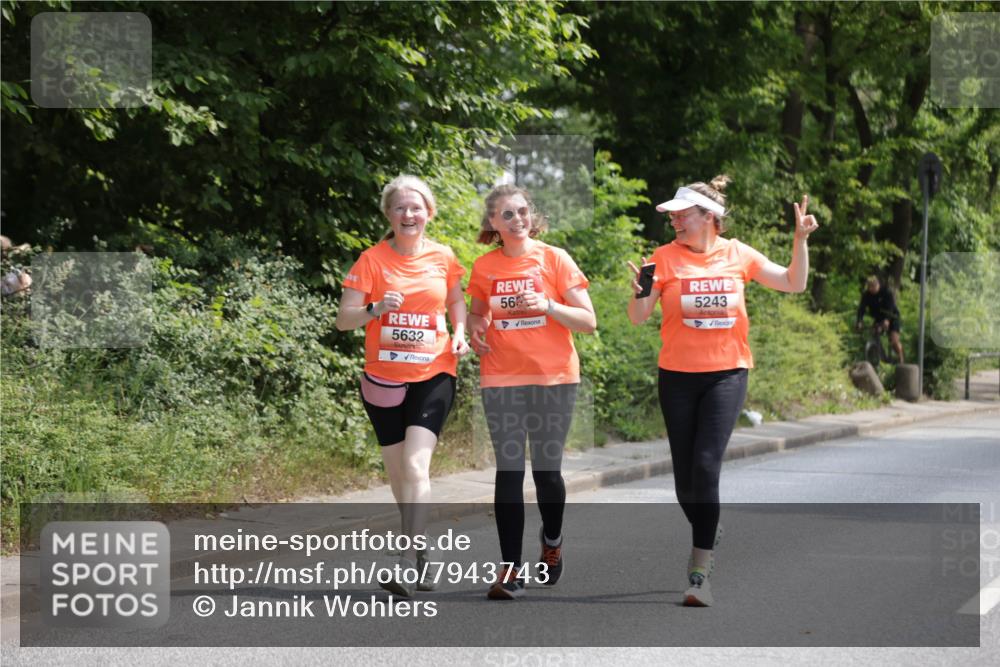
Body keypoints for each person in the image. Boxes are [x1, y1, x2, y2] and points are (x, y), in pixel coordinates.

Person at [627, 175, 818, 607]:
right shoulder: (663, 258)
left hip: (726, 374)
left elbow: (793, 282)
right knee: (683, 483)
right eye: (672, 215)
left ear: (709, 218)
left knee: (707, 464)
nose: (675, 221)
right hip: (676, 376)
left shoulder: (738, 254)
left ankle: (699, 571)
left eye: (682, 214)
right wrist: (641, 290)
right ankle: (707, 525)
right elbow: (638, 317)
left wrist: (800, 239)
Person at [336, 175, 470, 597]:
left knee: (415, 467)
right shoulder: (370, 261)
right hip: (383, 380)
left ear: (429, 213)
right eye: (400, 208)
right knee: (398, 478)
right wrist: (374, 308)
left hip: (434, 372)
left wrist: (461, 332)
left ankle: (407, 558)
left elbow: (455, 301)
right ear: (388, 215)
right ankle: (422, 548)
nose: (409, 215)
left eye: (416, 208)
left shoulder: (443, 257)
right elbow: (345, 319)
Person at [467, 184, 596, 600]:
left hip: (553, 378)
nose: (517, 219)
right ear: (493, 223)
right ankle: (509, 571)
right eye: (507, 215)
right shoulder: (484, 267)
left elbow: (587, 320)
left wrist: (547, 306)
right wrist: (474, 331)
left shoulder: (554, 258)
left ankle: (553, 541)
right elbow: (477, 314)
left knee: (546, 474)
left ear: (531, 215)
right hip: (501, 377)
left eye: (522, 212)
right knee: (508, 472)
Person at [855, 275, 904, 364]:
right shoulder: (866, 295)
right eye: (869, 287)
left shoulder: (886, 293)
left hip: (892, 316)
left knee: (894, 340)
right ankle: (881, 357)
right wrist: (859, 321)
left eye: (873, 286)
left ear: (878, 285)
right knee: (874, 333)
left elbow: (890, 307)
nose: (872, 289)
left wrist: (887, 320)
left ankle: (901, 359)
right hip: (879, 318)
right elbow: (861, 308)